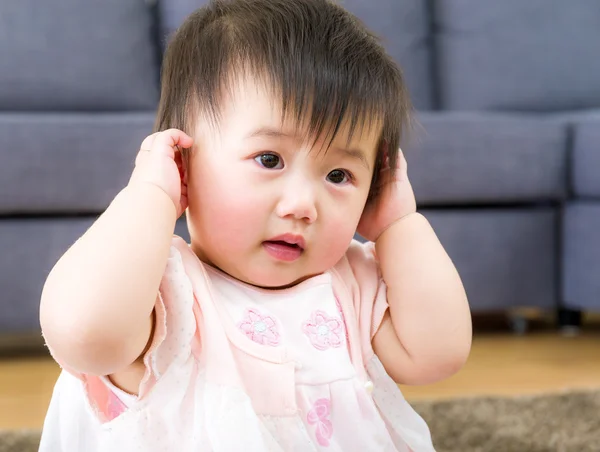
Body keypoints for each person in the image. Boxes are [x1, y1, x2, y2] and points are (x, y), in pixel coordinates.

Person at [38, 0, 471, 450]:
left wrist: (401, 225)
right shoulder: (163, 291)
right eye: (270, 159)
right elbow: (85, 336)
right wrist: (149, 197)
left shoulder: (349, 284)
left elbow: (438, 355)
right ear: (183, 162)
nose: (304, 205)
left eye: (339, 176)